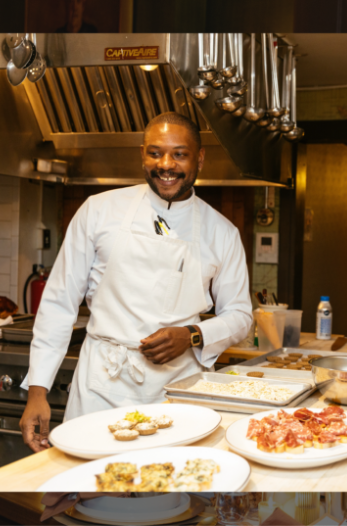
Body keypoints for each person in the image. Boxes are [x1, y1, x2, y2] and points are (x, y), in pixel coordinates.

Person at [19, 112, 253, 452]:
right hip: (100, 385)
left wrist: (192, 335)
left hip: (178, 392)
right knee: (88, 489)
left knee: (166, 492)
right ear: (142, 154)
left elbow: (240, 315)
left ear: (199, 158)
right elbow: (58, 303)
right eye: (155, 153)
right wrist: (38, 391)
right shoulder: (98, 211)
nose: (166, 164)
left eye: (179, 154)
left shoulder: (222, 233)